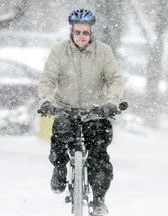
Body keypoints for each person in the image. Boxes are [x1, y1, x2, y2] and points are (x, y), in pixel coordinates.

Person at [38, 9, 123, 216]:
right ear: (71, 32)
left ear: (91, 33)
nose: (81, 36)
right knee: (59, 137)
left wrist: (111, 102)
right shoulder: (59, 52)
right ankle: (59, 169)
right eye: (78, 32)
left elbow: (115, 80)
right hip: (65, 108)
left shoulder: (104, 52)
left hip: (95, 112)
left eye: (85, 32)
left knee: (99, 157)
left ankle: (98, 200)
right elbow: (48, 79)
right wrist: (47, 101)